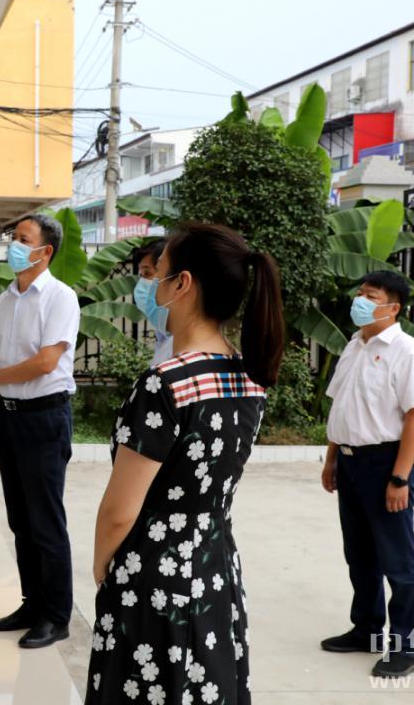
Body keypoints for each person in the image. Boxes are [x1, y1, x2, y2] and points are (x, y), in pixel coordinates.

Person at [85, 224, 284, 705]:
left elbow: (119, 511)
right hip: (216, 568)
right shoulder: (248, 378)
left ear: (184, 284)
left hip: (153, 576)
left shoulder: (163, 384)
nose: (152, 283)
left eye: (161, 272)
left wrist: (101, 565)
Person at [320, 271, 414, 679]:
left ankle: (404, 648)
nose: (360, 301)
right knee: (360, 554)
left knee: (397, 560)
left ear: (393, 307)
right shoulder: (354, 345)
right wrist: (332, 459)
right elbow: (341, 406)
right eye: (360, 293)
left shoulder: (409, 353)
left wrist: (400, 478)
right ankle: (367, 629)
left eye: (371, 296)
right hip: (350, 463)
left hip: (385, 464)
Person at [0, 213, 80, 650]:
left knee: (45, 520)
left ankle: (56, 616)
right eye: (13, 238)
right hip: (12, 417)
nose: (13, 246)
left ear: (45, 251)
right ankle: (31, 604)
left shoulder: (60, 297)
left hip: (45, 418)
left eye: (23, 239)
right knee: (20, 519)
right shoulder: (6, 300)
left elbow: (45, 362)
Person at [133, 239, 174, 367]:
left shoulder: (183, 345)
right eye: (140, 275)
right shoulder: (165, 336)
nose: (141, 284)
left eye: (147, 273)